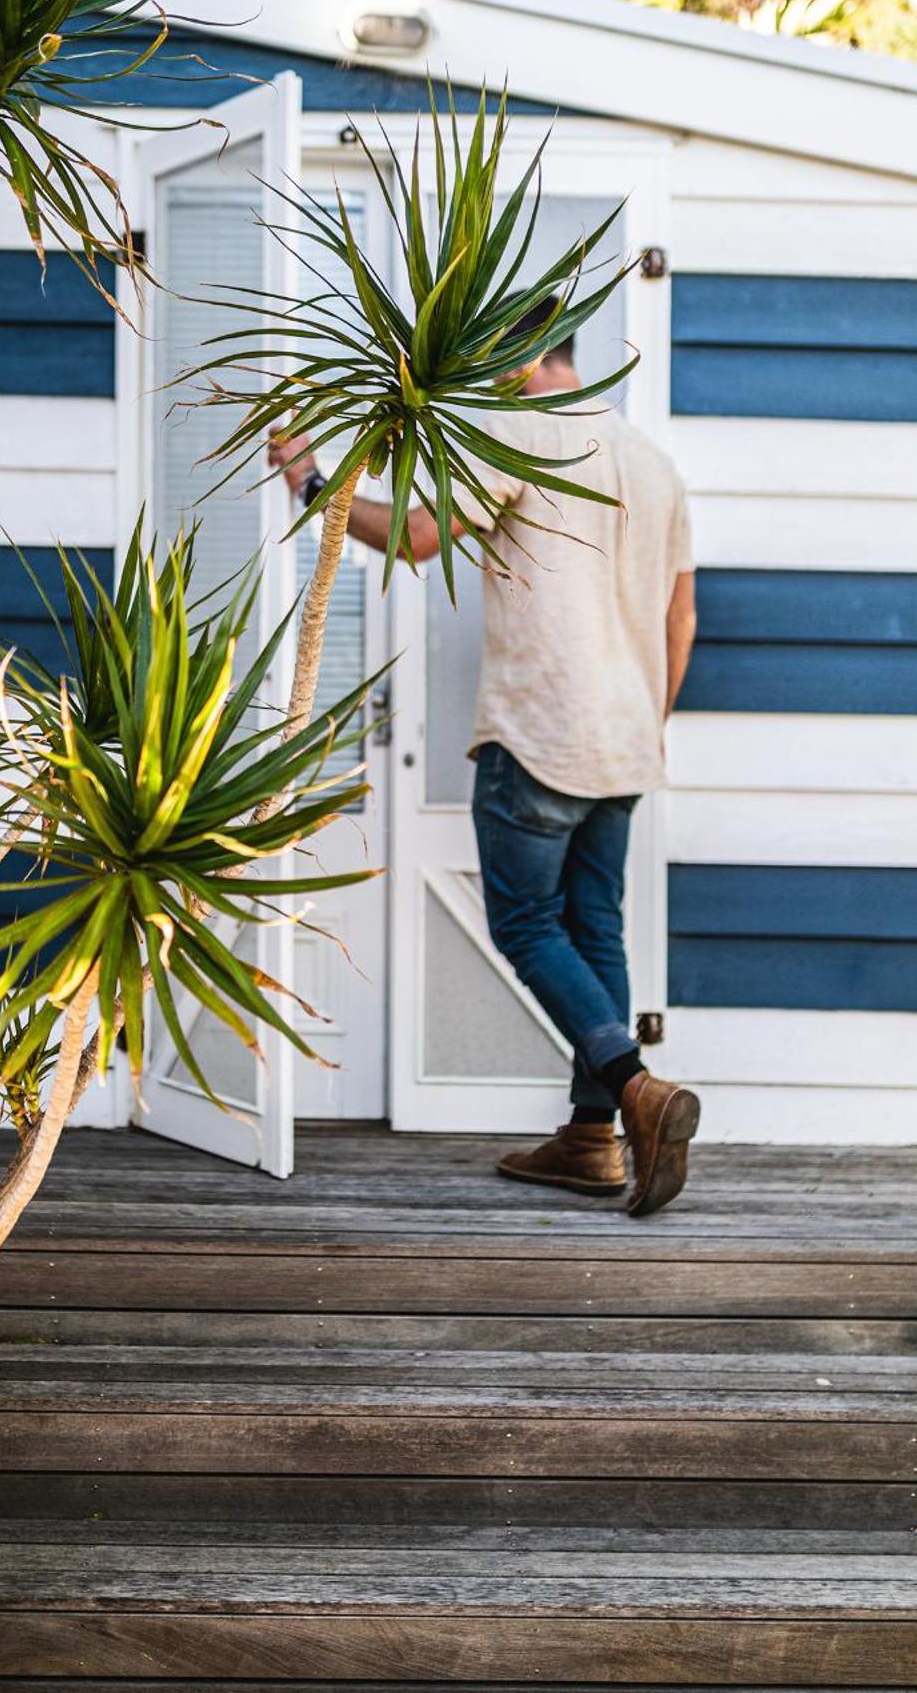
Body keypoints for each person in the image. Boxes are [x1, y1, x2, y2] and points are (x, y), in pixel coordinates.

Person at [268, 335, 700, 1217]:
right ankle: (589, 1143)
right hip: (623, 744)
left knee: (529, 926)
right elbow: (680, 614)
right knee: (595, 928)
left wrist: (316, 487)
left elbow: (420, 540)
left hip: (539, 734)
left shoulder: (515, 434)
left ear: (519, 357)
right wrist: (645, 721)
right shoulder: (653, 461)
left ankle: (633, 1089)